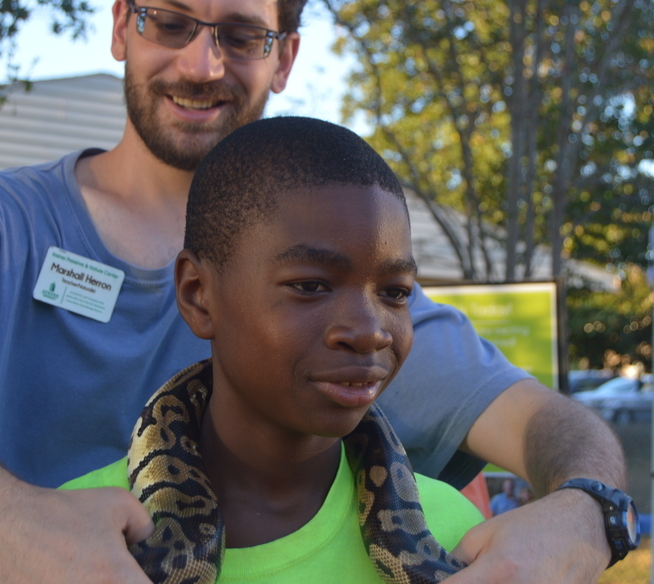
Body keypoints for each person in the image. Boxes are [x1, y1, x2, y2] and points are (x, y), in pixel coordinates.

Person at [0, 0, 629, 583]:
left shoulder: (351, 295)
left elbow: (550, 425)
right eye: (170, 21)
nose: (201, 64)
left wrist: (587, 511)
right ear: (123, 25)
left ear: (283, 57)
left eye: (242, 35)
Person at [62, 116, 485, 582]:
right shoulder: (68, 535)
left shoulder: (462, 534)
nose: (370, 333)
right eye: (310, 285)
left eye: (396, 292)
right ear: (198, 293)